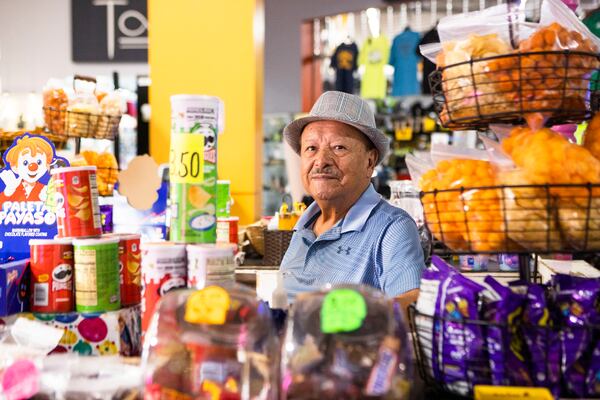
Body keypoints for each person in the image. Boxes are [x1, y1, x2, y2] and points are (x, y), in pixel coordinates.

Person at [280, 91, 426, 305]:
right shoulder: (303, 225)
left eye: (339, 147)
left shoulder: (392, 227)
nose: (321, 161)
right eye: (311, 148)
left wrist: (340, 322)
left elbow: (410, 301)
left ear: (370, 161)